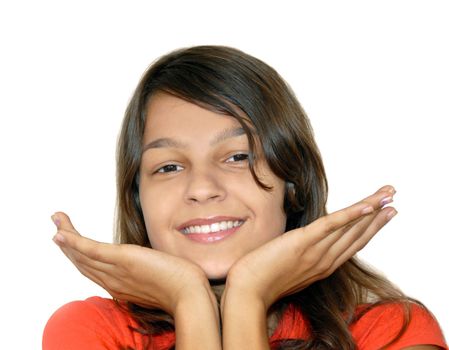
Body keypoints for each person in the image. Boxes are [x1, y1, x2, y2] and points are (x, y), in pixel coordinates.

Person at [43, 46, 447, 350]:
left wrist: (247, 297)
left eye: (237, 157)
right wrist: (190, 301)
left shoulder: (392, 331)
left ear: (294, 181)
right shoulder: (92, 332)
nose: (201, 188)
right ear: (138, 200)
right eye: (168, 167)